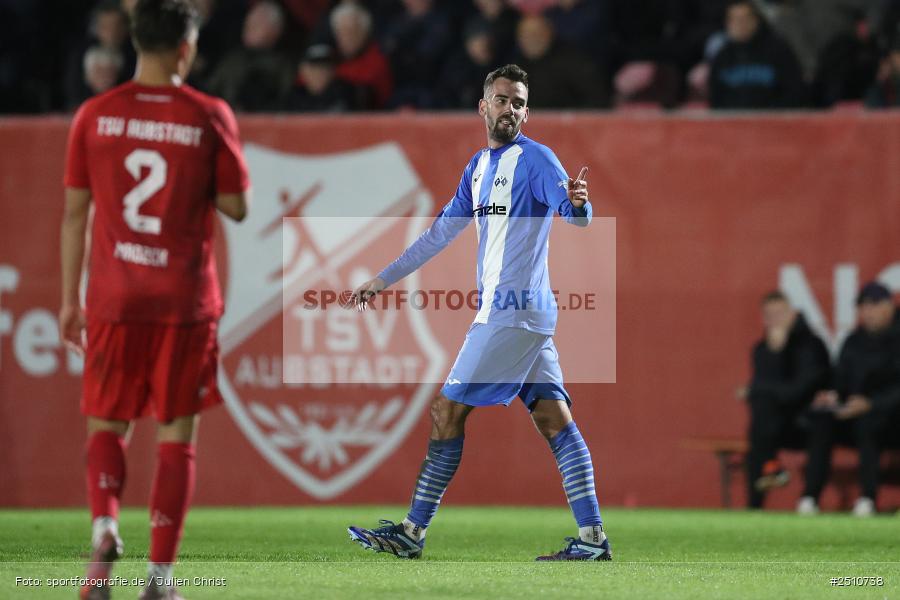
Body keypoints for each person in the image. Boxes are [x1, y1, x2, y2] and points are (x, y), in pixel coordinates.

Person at [346, 64, 611, 562]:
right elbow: (439, 234)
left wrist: (580, 205)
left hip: (510, 315)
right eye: (503, 98)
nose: (510, 108)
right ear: (483, 105)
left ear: (526, 113)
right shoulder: (477, 168)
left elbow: (572, 214)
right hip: (526, 318)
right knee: (555, 420)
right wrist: (383, 278)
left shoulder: (537, 160)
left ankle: (411, 531)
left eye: (519, 102)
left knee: (447, 410)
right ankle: (593, 540)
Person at [60, 1, 250, 598]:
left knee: (107, 423)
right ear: (186, 50)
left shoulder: (94, 114)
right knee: (175, 434)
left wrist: (71, 300)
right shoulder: (207, 114)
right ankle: (160, 579)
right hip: (183, 301)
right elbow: (237, 207)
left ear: (134, 44)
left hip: (114, 296)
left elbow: (73, 217)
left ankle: (104, 529)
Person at [798, 282, 900, 517]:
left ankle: (867, 499)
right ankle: (809, 498)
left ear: (889, 306)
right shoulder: (854, 341)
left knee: (869, 423)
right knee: (823, 421)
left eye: (874, 305)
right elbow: (840, 379)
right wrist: (833, 395)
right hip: (855, 414)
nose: (868, 312)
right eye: (863, 306)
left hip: (891, 418)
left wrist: (871, 403)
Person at [742, 291, 830, 509]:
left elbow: (797, 391)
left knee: (822, 422)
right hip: (777, 424)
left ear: (792, 314)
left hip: (808, 420)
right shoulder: (762, 349)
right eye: (769, 315)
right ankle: (756, 504)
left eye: (780, 313)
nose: (775, 320)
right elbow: (767, 391)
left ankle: (808, 499)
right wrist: (774, 353)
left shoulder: (811, 345)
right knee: (760, 416)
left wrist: (756, 390)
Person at [709, 0, 806, 109]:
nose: (740, 25)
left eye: (745, 19)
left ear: (756, 20)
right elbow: (716, 100)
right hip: (733, 122)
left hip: (773, 121)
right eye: (735, 20)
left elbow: (793, 91)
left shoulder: (778, 51)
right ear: (727, 24)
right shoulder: (722, 57)